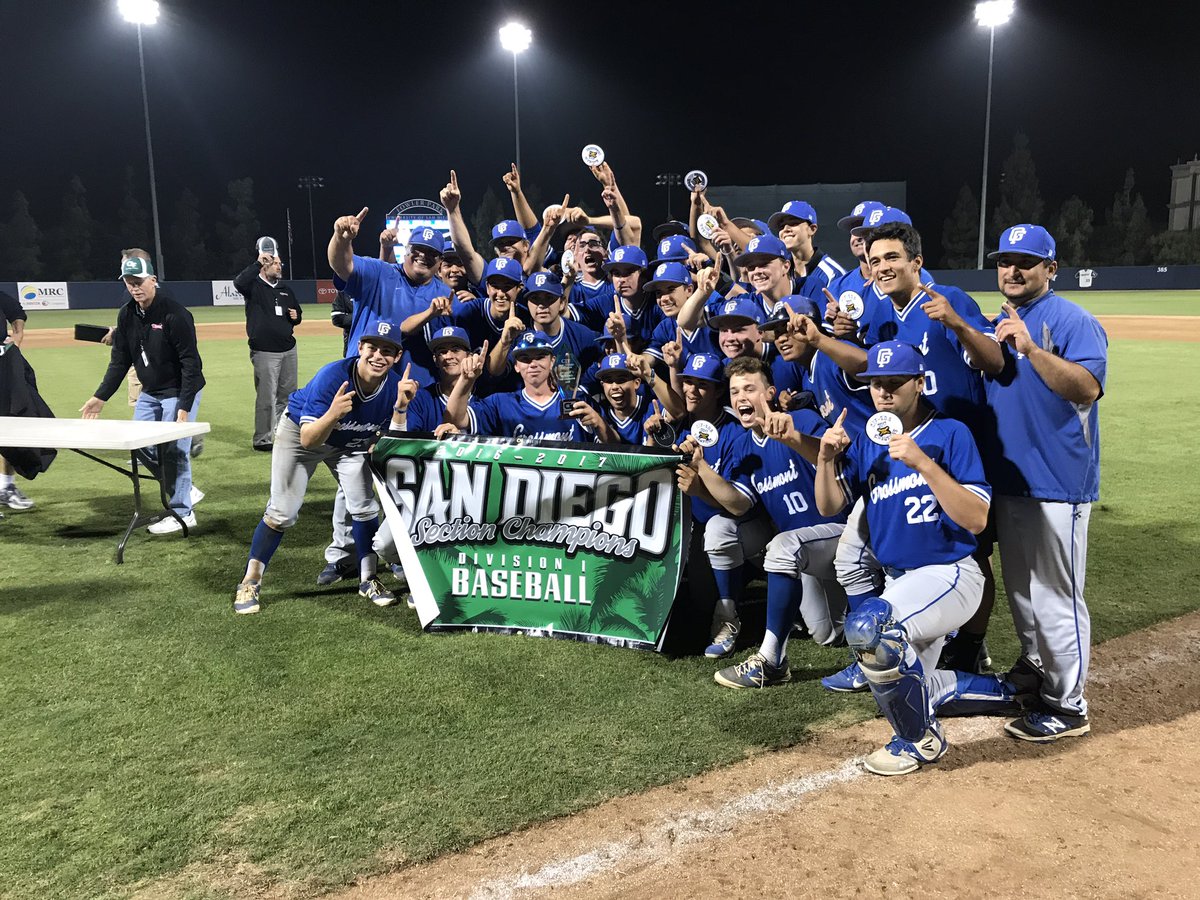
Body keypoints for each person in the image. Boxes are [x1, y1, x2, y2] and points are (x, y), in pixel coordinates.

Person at [812, 341, 991, 776]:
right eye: (875, 384)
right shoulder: (870, 442)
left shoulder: (951, 433)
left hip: (950, 574)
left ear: (919, 383)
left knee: (871, 631)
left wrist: (925, 464)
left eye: (895, 383)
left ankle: (920, 742)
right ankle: (1003, 691)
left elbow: (978, 518)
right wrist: (824, 459)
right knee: (902, 688)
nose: (884, 392)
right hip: (903, 583)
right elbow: (828, 505)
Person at [984, 224, 1107, 742]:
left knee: (1057, 595)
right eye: (1005, 261)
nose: (1012, 270)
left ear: (1050, 269)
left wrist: (1032, 349)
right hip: (1011, 480)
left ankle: (1070, 704)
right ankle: (1038, 670)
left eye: (1025, 262)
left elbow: (1088, 388)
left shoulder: (1073, 321)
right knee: (1024, 594)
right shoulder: (998, 321)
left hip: (1060, 482)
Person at [681, 357, 847, 687]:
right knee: (828, 634)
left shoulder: (800, 419)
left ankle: (771, 660)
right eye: (734, 391)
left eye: (749, 388)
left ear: (769, 392)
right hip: (806, 553)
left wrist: (791, 438)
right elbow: (739, 503)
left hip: (843, 537)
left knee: (783, 546)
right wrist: (701, 468)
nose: (741, 396)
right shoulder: (744, 445)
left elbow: (832, 457)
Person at [233, 320, 416, 614]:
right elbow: (308, 439)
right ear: (359, 348)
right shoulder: (333, 377)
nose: (378, 356)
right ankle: (250, 581)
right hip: (302, 432)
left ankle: (368, 579)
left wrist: (400, 408)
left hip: (348, 442)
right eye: (372, 348)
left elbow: (391, 440)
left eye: (387, 350)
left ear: (396, 357)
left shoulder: (395, 387)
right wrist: (332, 414)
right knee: (282, 513)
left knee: (364, 507)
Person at [81, 252, 205, 534]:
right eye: (128, 282)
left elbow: (191, 364)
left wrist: (184, 406)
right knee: (138, 446)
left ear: (153, 280)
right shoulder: (126, 314)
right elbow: (120, 360)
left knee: (174, 451)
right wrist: (100, 397)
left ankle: (183, 513)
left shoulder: (175, 314)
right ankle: (185, 489)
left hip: (179, 389)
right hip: (151, 391)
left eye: (139, 281)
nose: (135, 288)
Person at [445, 331, 599, 442]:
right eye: (525, 359)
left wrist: (600, 424)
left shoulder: (576, 400)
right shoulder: (500, 404)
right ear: (516, 366)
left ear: (552, 361)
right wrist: (465, 380)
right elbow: (456, 419)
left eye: (539, 357)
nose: (532, 364)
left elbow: (613, 445)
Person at [234, 248, 303, 451]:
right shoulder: (253, 287)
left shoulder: (285, 289)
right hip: (265, 351)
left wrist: (296, 316)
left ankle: (283, 435)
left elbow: (297, 313)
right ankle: (262, 439)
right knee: (266, 397)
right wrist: (257, 263)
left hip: (288, 349)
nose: (279, 266)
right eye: (275, 263)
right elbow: (238, 283)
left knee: (288, 396)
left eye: (280, 264)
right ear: (265, 266)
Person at [767, 200, 846, 304]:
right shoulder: (781, 271)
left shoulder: (832, 273)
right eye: (781, 226)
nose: (785, 229)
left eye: (793, 223)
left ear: (812, 229)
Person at [0, 290, 35, 510]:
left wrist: (17, 336)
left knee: (8, 426)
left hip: (3, 369)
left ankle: (5, 487)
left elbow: (16, 311)